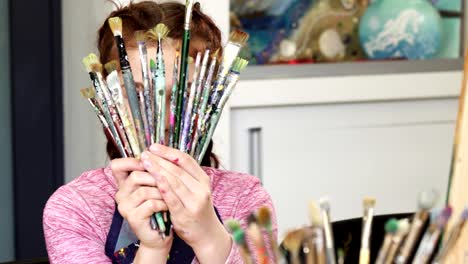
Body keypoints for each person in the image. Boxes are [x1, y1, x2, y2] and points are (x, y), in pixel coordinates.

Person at [43, 1, 277, 263]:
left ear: (210, 99)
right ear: (108, 102)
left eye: (184, 94)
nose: (163, 120)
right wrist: (153, 248)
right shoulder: (75, 208)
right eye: (138, 95)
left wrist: (209, 237)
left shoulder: (246, 199)